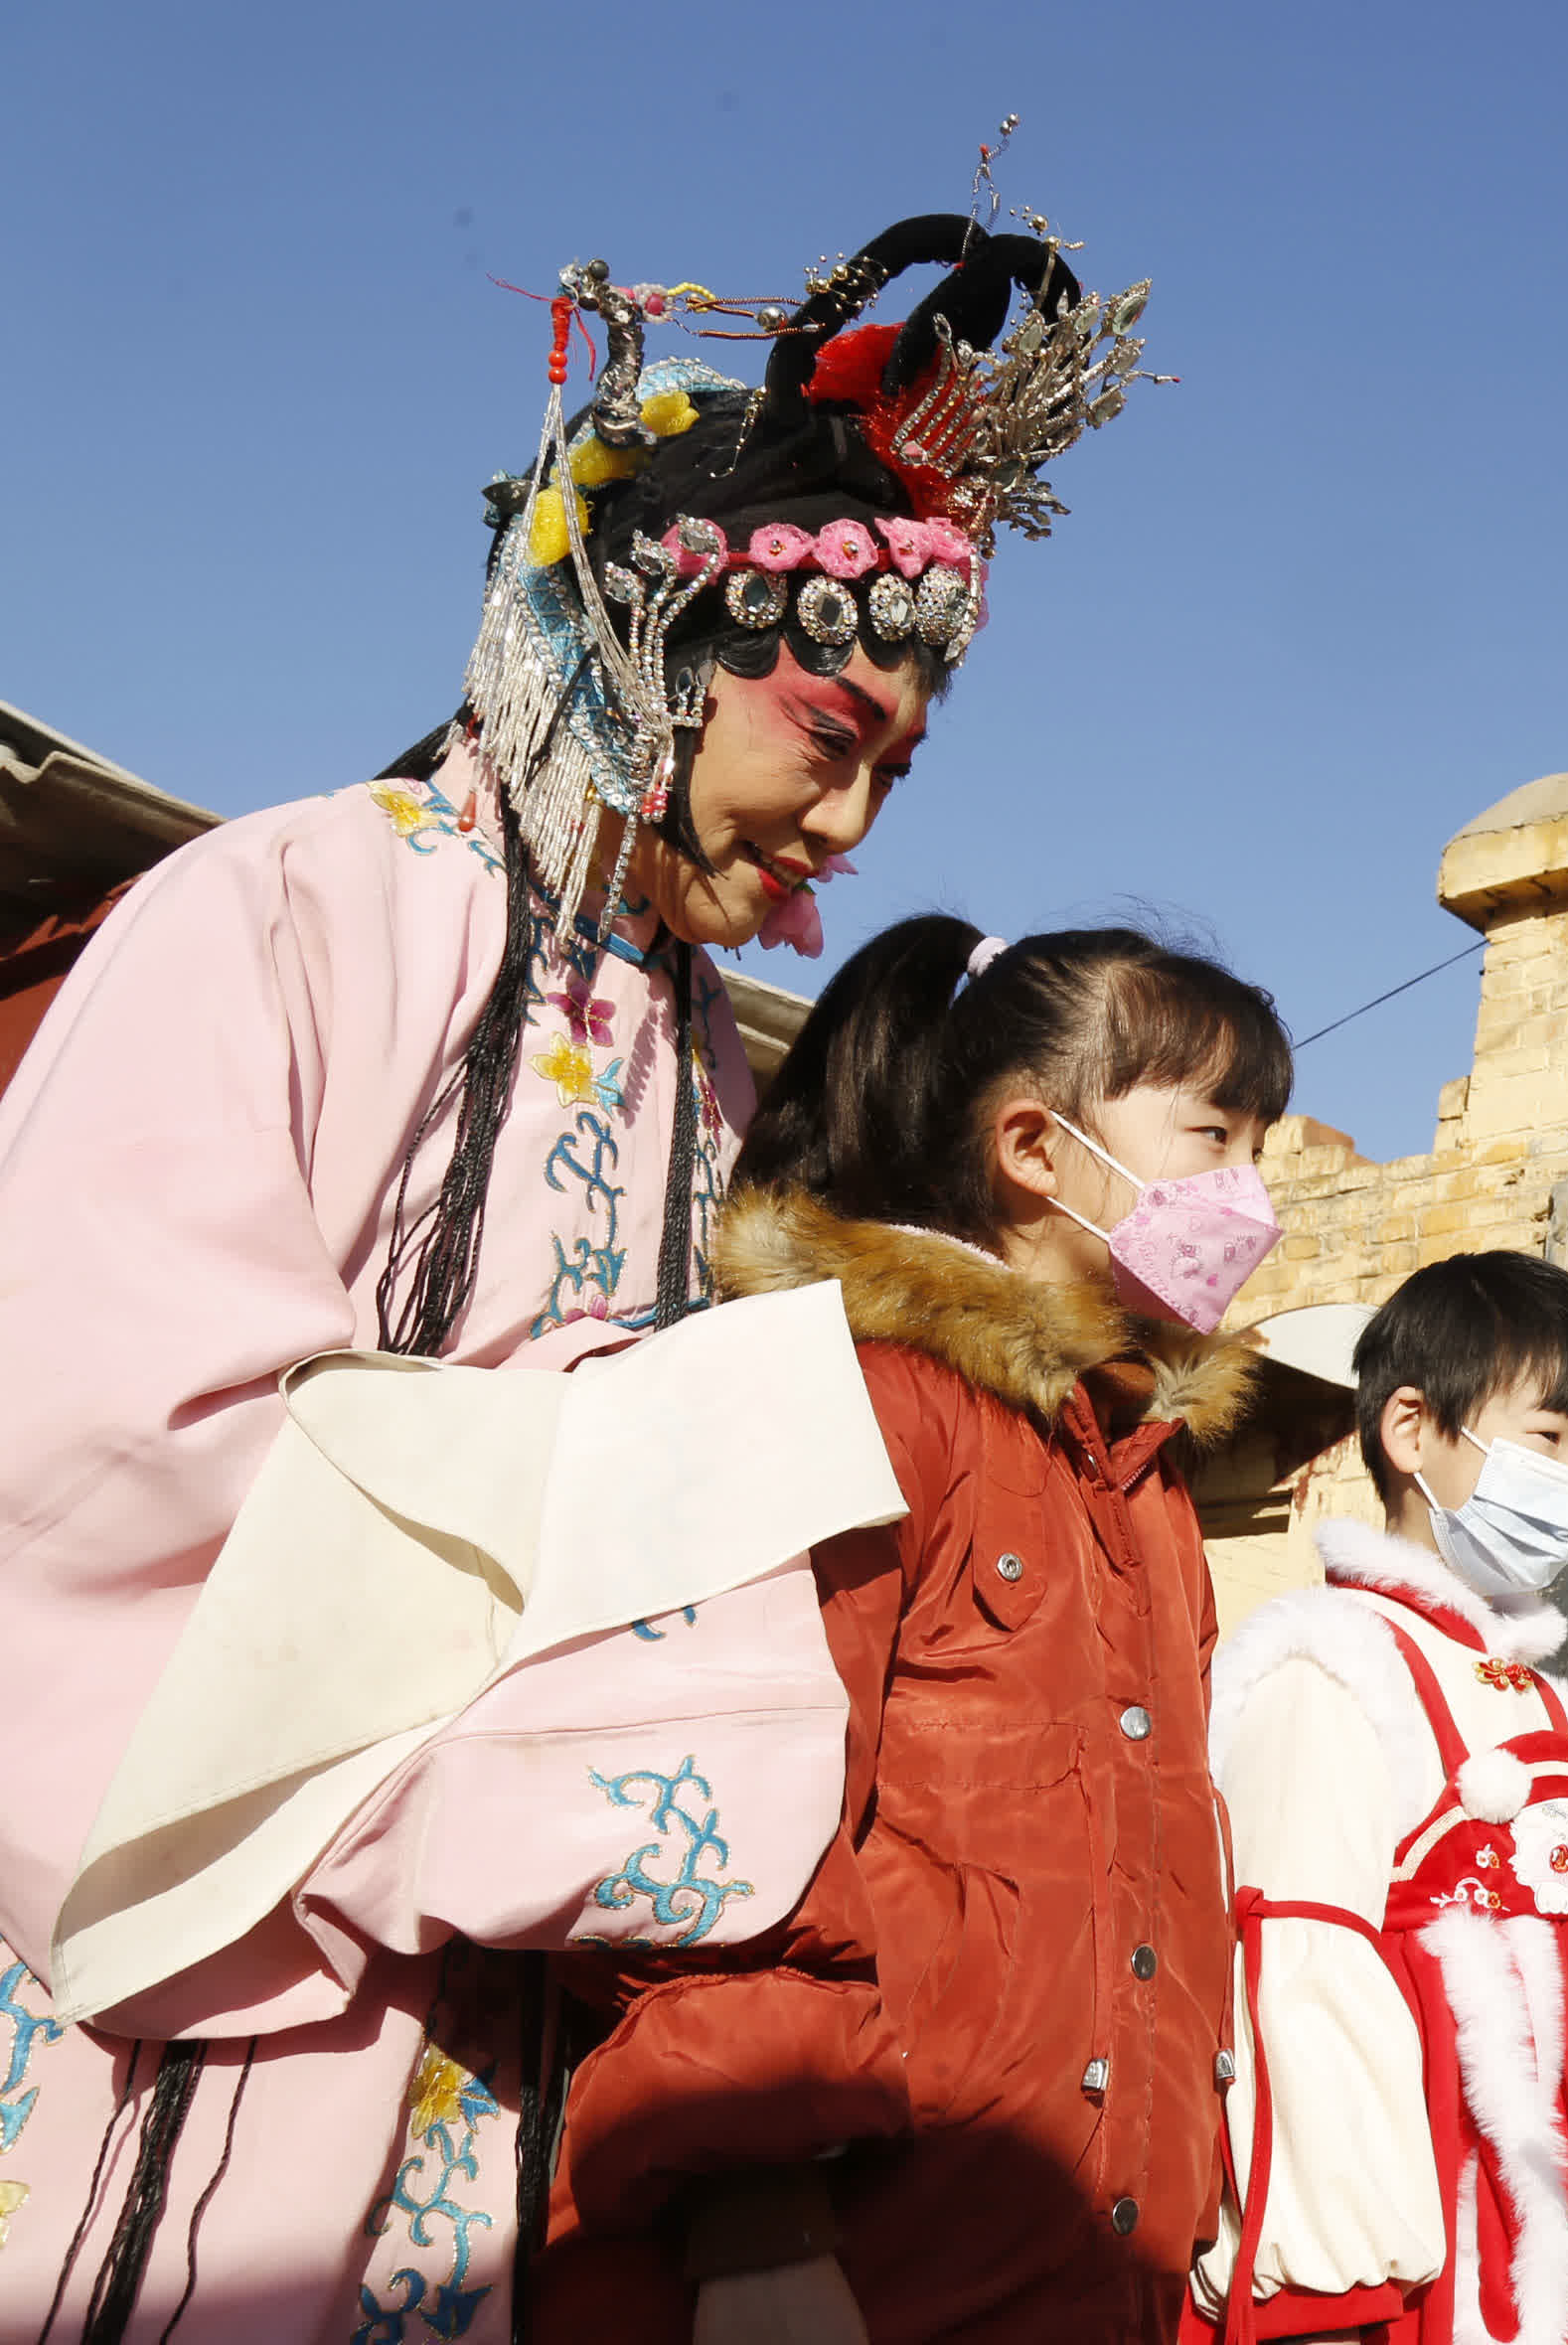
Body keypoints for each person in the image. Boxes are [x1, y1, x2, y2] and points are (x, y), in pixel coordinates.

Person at [0, 215, 1156, 2343]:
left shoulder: (704, 1051)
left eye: (896, 772)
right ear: (651, 639)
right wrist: (598, 1553)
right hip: (241, 1905)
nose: (851, 824)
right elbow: (101, 1429)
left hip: (513, 2012)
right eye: (830, 737)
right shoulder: (293, 902)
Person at [528, 917, 1290, 2344]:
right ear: (1032, 1148)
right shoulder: (862, 1398)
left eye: (1265, 1151)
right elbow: (708, 1824)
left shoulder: (1148, 1478)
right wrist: (755, 2227)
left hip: (1074, 2268)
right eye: (1214, 1138)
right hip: (833, 2265)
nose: (1251, 1199)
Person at [1192, 1252, 1568, 2345]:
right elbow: (1291, 1967)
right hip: (1412, 2224)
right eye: (1549, 1439)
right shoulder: (1329, 1663)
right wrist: (1331, 2282)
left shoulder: (1547, 1702)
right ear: (1412, 1428)